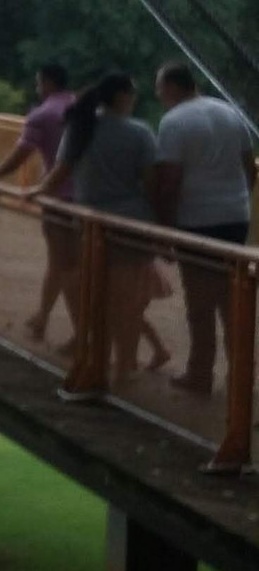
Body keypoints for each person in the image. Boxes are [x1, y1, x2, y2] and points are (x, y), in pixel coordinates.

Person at [23, 73, 170, 382]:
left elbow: (59, 173)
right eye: (132, 95)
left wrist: (35, 192)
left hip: (89, 223)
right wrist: (163, 225)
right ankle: (123, 367)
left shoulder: (80, 127)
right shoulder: (139, 133)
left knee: (96, 296)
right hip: (131, 224)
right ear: (121, 97)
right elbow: (152, 184)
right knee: (127, 302)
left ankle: (96, 365)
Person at [153, 62, 256, 396]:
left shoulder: (173, 122)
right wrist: (238, 200)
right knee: (232, 298)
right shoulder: (230, 112)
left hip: (197, 220)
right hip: (235, 215)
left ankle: (200, 374)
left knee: (200, 301)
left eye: (159, 88)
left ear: (171, 87)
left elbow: (168, 181)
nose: (158, 95)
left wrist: (165, 230)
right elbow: (248, 166)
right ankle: (240, 378)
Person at [0, 63, 79, 346]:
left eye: (38, 83)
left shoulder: (43, 115)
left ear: (46, 82)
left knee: (68, 266)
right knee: (61, 263)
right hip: (88, 198)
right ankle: (42, 317)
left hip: (58, 197)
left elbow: (21, 154)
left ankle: (83, 335)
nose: (37, 88)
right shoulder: (82, 107)